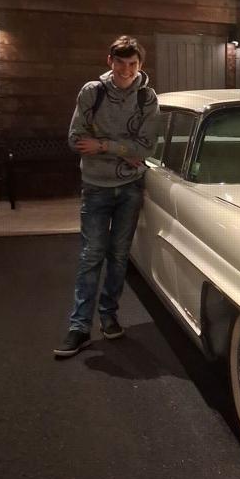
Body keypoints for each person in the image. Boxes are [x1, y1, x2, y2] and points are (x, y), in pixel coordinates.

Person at [54, 36, 159, 358]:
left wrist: (102, 144)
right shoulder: (92, 92)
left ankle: (109, 315)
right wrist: (125, 149)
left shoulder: (146, 97)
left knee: (119, 256)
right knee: (91, 255)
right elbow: (75, 139)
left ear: (140, 64)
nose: (126, 70)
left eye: (132, 64)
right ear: (110, 61)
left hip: (130, 187)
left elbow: (146, 148)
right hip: (96, 185)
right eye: (120, 63)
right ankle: (79, 326)